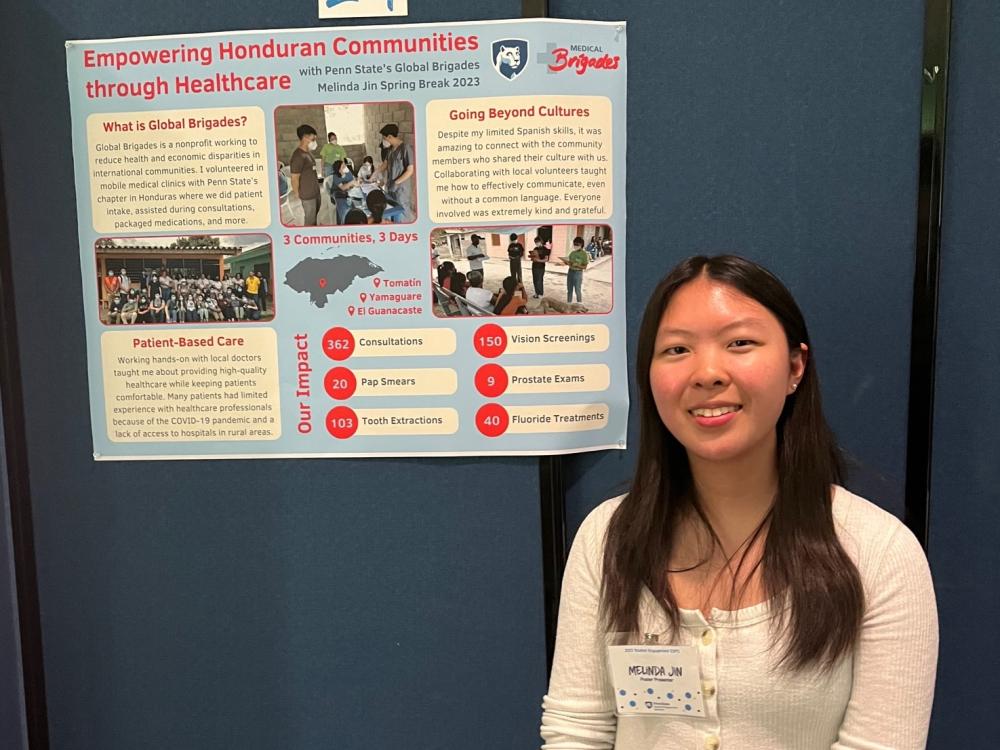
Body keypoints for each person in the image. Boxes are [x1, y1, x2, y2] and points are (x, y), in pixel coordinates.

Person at [540, 255, 938, 749]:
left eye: (740, 343)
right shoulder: (607, 539)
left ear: (795, 366)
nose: (707, 372)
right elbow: (577, 732)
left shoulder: (878, 553)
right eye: (677, 349)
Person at [377, 124, 415, 222]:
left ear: (390, 136)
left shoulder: (405, 148)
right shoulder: (390, 149)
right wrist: (375, 174)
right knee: (392, 210)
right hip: (390, 187)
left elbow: (410, 170)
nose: (384, 141)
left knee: (403, 211)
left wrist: (396, 182)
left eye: (384, 138)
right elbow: (385, 164)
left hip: (401, 189)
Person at [289, 124, 320, 226]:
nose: (315, 141)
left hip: (315, 192)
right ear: (305, 137)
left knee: (314, 217)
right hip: (308, 196)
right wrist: (298, 194)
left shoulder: (308, 153)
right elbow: (294, 178)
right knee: (310, 221)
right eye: (313, 138)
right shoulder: (298, 156)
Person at [562, 236, 589, 303]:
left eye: (577, 245)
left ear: (581, 245)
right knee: (569, 289)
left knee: (577, 290)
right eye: (574, 244)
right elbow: (570, 262)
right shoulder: (572, 253)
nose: (575, 246)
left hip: (578, 273)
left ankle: (579, 304)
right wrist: (566, 262)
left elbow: (585, 267)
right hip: (570, 272)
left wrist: (578, 265)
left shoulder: (584, 254)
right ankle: (569, 304)